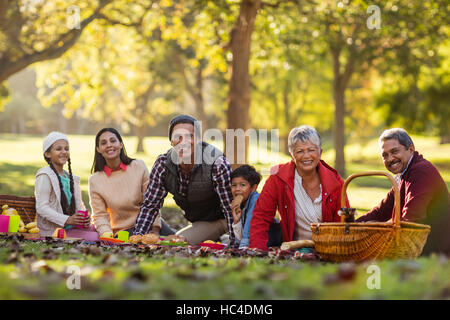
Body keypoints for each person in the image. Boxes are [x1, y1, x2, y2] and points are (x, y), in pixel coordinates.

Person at [133, 114, 237, 247]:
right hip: (200, 222)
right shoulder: (163, 164)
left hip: (224, 219)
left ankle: (227, 240)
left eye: (190, 136)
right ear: (171, 141)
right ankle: (218, 241)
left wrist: (237, 243)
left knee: (174, 243)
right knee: (174, 240)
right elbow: (150, 205)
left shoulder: (217, 164)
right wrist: (137, 238)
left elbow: (230, 209)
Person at [249, 125, 348, 251]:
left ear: (320, 152)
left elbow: (344, 225)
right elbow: (261, 216)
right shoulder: (278, 178)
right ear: (292, 155)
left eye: (311, 150)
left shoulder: (336, 182)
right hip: (293, 250)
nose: (306, 156)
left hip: (329, 249)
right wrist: (258, 250)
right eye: (300, 151)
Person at [356, 128, 450, 255]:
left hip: (436, 253)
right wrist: (350, 225)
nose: (390, 159)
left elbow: (411, 218)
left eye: (394, 151)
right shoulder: (403, 175)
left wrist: (379, 232)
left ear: (411, 149)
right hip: (419, 249)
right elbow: (381, 211)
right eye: (385, 155)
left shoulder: (420, 171)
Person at [88, 128, 173, 238]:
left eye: (113, 141)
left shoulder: (138, 166)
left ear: (121, 144)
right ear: (98, 149)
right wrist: (106, 234)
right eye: (103, 143)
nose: (109, 145)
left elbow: (152, 202)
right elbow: (100, 215)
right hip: (123, 232)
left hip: (149, 223)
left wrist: (155, 229)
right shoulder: (95, 180)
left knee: (183, 243)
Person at [35, 132, 98, 240]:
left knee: (100, 229)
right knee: (95, 237)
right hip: (55, 231)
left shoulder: (71, 178)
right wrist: (67, 220)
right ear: (47, 154)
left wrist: (84, 218)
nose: (64, 152)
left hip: (72, 227)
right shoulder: (45, 176)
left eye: (66, 149)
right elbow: (42, 208)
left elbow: (79, 206)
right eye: (58, 149)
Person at [230, 165, 282, 249]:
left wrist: (243, 249)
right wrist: (237, 221)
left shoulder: (256, 200)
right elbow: (241, 238)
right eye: (234, 185)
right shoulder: (241, 204)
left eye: (242, 185)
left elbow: (246, 240)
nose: (237, 189)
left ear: (253, 188)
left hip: (273, 241)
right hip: (256, 242)